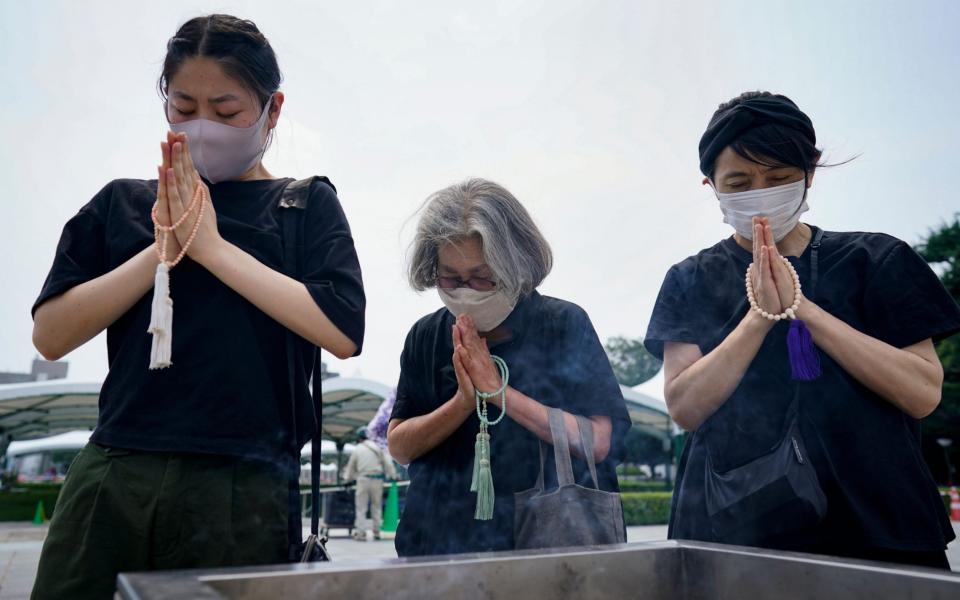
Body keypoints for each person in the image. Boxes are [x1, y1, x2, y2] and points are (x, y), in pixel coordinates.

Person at [30, 14, 365, 599]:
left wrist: (209, 246)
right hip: (115, 469)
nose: (203, 125)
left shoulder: (302, 205)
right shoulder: (123, 204)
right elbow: (51, 335)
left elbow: (340, 330)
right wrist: (160, 250)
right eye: (184, 107)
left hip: (242, 481)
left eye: (227, 110)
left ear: (272, 110)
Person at [645, 91, 960, 569]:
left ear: (809, 175)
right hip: (733, 535)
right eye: (739, 181)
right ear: (711, 185)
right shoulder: (690, 279)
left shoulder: (877, 261)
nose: (761, 193)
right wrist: (759, 318)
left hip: (881, 531)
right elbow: (685, 406)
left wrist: (804, 310)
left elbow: (922, 392)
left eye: (778, 178)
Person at [388, 178, 631, 557]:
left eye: (483, 276)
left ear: (516, 264)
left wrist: (498, 391)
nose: (466, 289)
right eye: (450, 277)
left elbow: (599, 440)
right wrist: (462, 403)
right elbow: (400, 446)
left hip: (541, 545)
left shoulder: (562, 324)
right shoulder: (425, 335)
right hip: (435, 545)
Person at [343, 427, 397, 541]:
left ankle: (361, 533)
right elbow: (388, 463)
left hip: (363, 479)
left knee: (361, 507)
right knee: (376, 506)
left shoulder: (358, 449)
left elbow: (351, 467)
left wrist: (347, 480)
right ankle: (376, 532)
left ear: (359, 438)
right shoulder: (378, 447)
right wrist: (393, 476)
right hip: (377, 479)